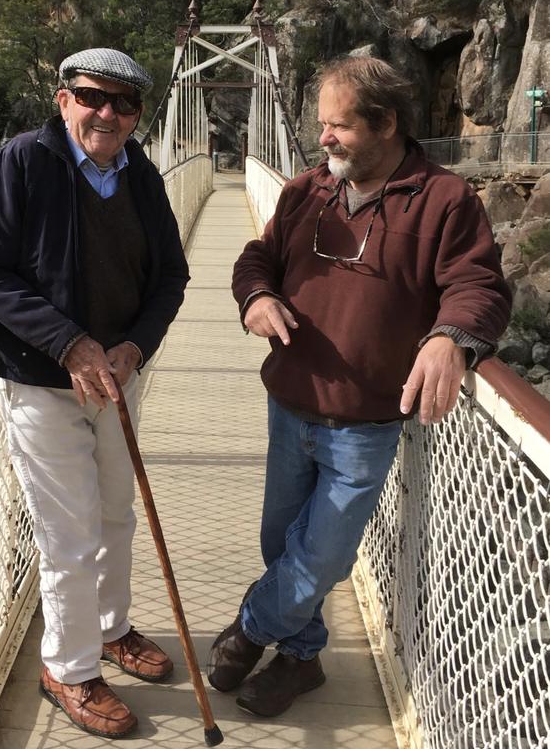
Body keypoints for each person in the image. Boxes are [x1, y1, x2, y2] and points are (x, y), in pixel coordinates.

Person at [207, 55, 511, 717]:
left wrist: (448, 338)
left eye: (338, 126)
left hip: (365, 420)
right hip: (289, 403)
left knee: (318, 559)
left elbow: (478, 284)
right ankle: (301, 660)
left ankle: (251, 629)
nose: (324, 140)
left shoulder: (444, 199)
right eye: (320, 125)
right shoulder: (305, 191)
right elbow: (256, 258)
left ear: (385, 124)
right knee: (281, 544)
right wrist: (256, 295)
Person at [0, 48, 189, 739]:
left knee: (115, 513)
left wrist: (133, 347)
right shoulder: (24, 161)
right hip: (42, 381)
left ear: (138, 115)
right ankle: (68, 665)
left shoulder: (142, 173)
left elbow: (171, 279)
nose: (108, 114)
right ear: (64, 99)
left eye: (125, 104)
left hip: (119, 379)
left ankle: (112, 628)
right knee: (68, 534)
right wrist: (70, 343)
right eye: (94, 97)